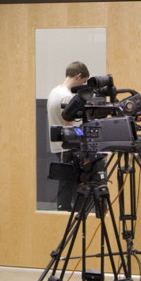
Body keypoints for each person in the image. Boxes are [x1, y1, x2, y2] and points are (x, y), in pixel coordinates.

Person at [46, 62, 89, 210]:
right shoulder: (67, 97)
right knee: (68, 185)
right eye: (83, 82)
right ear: (78, 76)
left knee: (66, 182)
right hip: (67, 147)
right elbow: (68, 126)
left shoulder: (54, 91)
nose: (81, 85)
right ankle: (65, 213)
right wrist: (83, 135)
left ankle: (64, 210)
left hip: (58, 146)